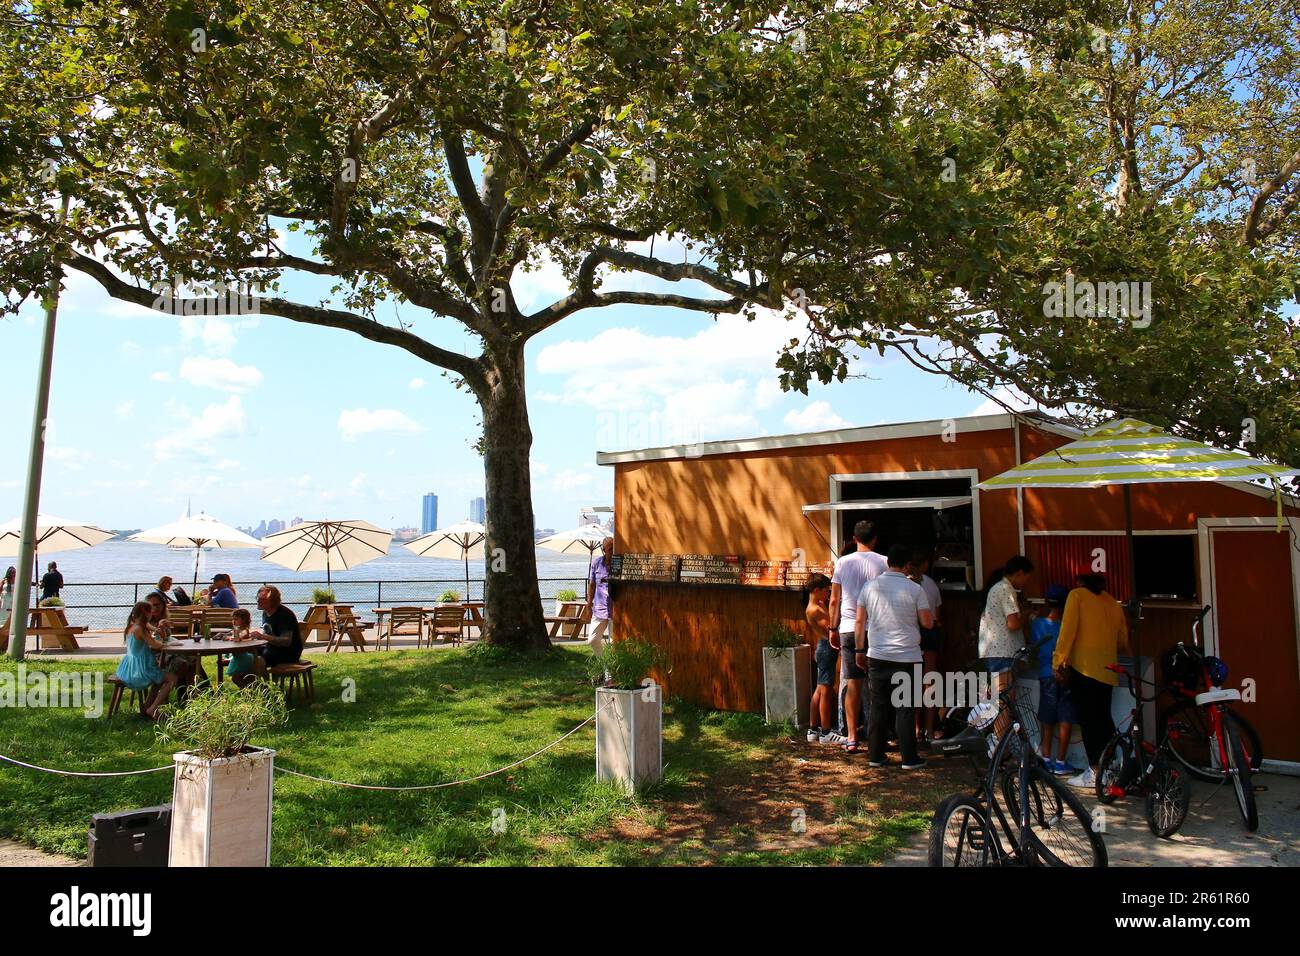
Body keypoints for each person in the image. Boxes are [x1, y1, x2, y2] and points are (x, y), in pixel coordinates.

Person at [856, 544, 933, 769]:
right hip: (907, 656)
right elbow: (928, 622)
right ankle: (909, 757)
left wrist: (860, 650)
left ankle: (876, 755)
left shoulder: (869, 587)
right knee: (905, 708)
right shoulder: (916, 589)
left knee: (878, 706)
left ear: (888, 562)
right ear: (908, 565)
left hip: (877, 654)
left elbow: (860, 622)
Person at [1054, 573, 1131, 789]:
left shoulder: (1076, 596)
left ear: (1080, 582)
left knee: (1088, 722)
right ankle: (1111, 768)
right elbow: (1123, 641)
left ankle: (1095, 771)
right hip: (1108, 670)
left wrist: (1058, 661)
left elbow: (1067, 630)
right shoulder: (1113, 603)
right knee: (1104, 719)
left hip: (1084, 668)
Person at [829, 520, 888, 752]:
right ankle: (877, 737)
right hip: (875, 628)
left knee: (853, 683)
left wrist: (832, 628)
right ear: (875, 539)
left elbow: (834, 599)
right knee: (877, 684)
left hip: (848, 628)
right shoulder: (883, 562)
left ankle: (852, 737)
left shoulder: (842, 562)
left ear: (854, 539)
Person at [1031, 584, 1077, 775]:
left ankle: (1046, 757)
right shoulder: (1067, 627)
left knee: (1047, 718)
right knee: (1066, 717)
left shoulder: (1037, 624)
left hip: (1045, 674)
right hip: (1066, 674)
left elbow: (1035, 647)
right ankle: (1061, 761)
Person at [115, 601, 180, 719]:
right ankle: (153, 708)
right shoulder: (141, 629)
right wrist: (163, 640)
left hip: (129, 668)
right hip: (141, 670)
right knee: (172, 678)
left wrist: (160, 626)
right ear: (146, 614)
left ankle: (150, 705)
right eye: (151, 612)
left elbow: (152, 627)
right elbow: (155, 645)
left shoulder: (132, 625)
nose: (152, 615)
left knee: (161, 677)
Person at [803, 572, 845, 744]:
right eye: (827, 591)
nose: (828, 594)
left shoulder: (819, 604)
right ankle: (826, 731)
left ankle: (813, 729)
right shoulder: (814, 609)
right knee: (826, 690)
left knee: (820, 689)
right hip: (826, 648)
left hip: (824, 648)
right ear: (817, 590)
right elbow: (830, 630)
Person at [908, 548, 944, 743]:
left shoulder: (905, 584)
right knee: (929, 682)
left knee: (911, 683)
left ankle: (916, 729)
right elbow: (938, 616)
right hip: (929, 632)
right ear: (926, 564)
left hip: (911, 632)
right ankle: (929, 731)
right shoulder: (930, 585)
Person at [250, 585, 302, 668]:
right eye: (257, 598)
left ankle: (262, 681)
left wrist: (262, 636)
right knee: (248, 653)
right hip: (271, 648)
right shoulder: (265, 612)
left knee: (260, 660)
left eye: (262, 599)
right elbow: (266, 635)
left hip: (288, 652)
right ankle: (248, 678)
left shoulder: (284, 615)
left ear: (272, 601)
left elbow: (286, 641)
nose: (258, 601)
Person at [586, 537, 613, 660]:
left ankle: (612, 673)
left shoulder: (620, 564)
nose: (612, 552)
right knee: (593, 639)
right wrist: (588, 605)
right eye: (610, 549)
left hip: (615, 610)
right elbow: (592, 585)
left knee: (613, 643)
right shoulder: (596, 563)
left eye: (614, 549)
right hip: (599, 608)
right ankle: (604, 666)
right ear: (604, 550)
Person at [227, 607, 261, 687]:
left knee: (237, 678)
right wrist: (222, 635)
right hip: (238, 657)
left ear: (244, 620)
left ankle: (248, 692)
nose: (233, 621)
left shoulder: (245, 631)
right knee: (237, 678)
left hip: (244, 658)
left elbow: (238, 638)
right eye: (233, 619)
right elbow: (230, 634)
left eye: (236, 619)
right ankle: (246, 691)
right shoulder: (235, 630)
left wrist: (229, 638)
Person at [0, 566, 15, 652]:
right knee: (3, 620)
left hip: (12, 601)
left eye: (14, 572)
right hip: (5, 601)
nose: (13, 574)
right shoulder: (4, 581)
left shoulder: (17, 581)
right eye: (12, 572)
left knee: (11, 620)